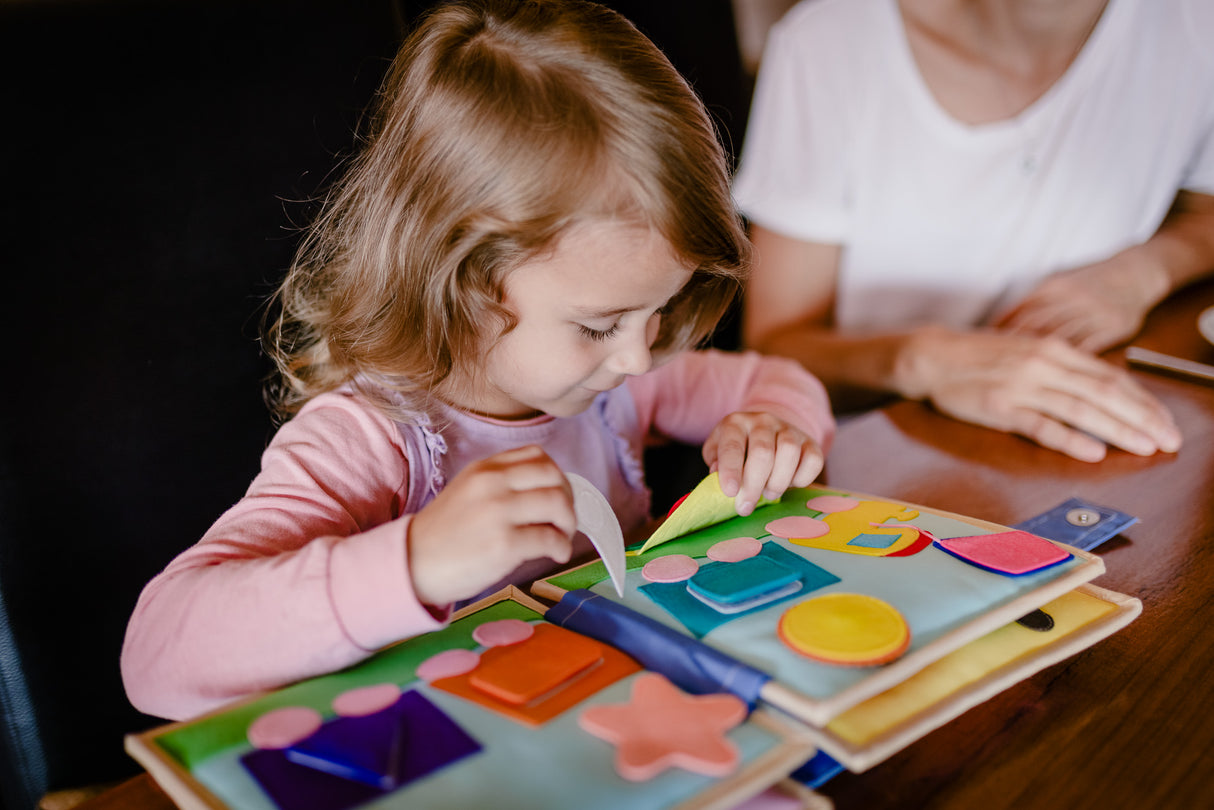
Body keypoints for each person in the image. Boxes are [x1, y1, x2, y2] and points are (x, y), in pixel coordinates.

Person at [120, 0, 834, 721]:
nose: (638, 356)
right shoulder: (369, 441)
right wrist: (416, 561)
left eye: (658, 314)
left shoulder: (611, 389)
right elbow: (155, 657)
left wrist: (771, 425)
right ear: (465, 284)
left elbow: (777, 381)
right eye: (599, 325)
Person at [733, 0, 1214, 462]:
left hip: (1083, 437)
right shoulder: (829, 43)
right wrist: (922, 362)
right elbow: (775, 346)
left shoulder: (1195, 26)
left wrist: (1143, 271)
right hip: (864, 459)